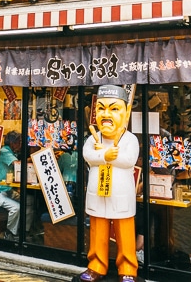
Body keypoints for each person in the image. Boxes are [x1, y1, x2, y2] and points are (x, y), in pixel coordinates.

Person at [77, 85, 139, 282]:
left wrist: (105, 156)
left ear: (126, 112)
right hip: (98, 194)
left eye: (114, 109)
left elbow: (129, 160)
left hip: (121, 195)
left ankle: (128, 269)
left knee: (125, 233)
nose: (106, 115)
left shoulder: (130, 139)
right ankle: (96, 265)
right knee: (97, 231)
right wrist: (105, 154)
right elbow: (87, 155)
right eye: (101, 108)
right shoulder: (92, 139)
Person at [0, 131, 32, 240]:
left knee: (30, 201)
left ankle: (23, 231)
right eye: (19, 142)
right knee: (16, 207)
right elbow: (18, 165)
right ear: (12, 143)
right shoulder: (4, 151)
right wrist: (35, 157)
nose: (21, 145)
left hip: (8, 190)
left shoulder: (12, 153)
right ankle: (10, 233)